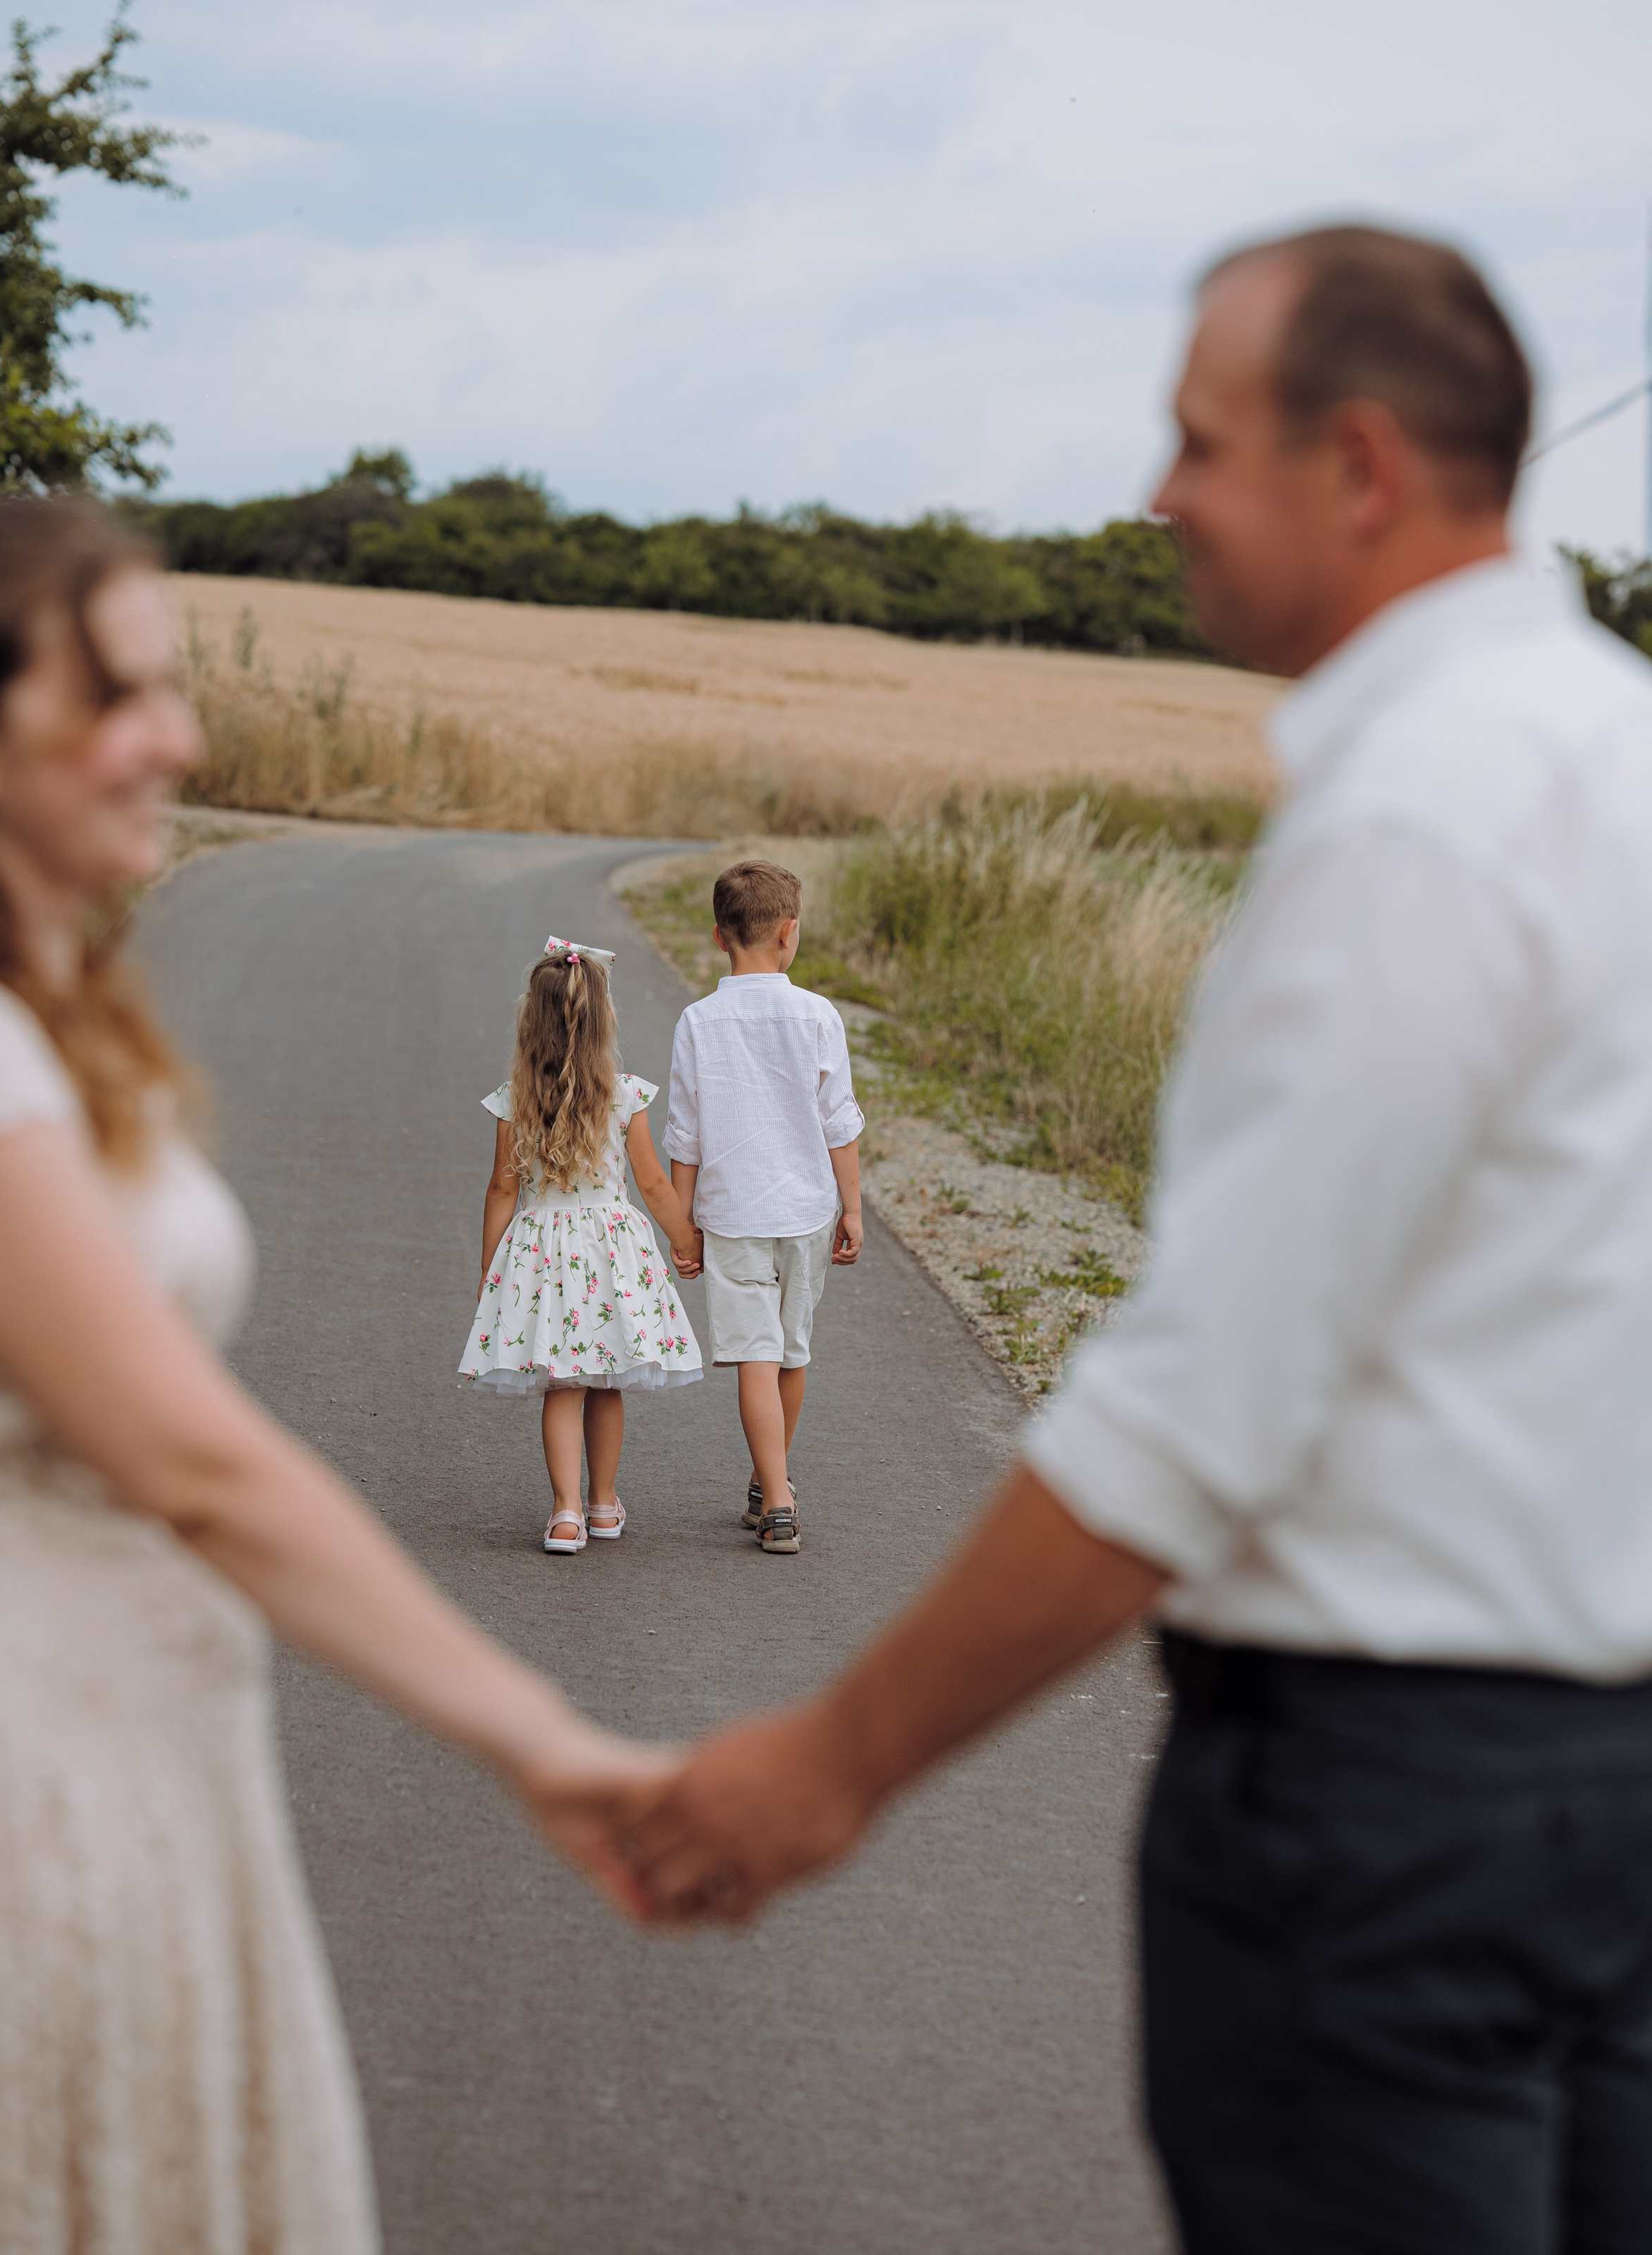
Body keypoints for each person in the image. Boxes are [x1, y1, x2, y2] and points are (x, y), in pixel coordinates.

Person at [628, 225, 1652, 2253]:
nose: (1155, 497)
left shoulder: (1411, 824)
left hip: (1391, 1812)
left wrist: (834, 1760)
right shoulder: (1617, 747)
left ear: (1358, 465)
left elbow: (1193, 1416)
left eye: (1199, 441)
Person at [0, 497, 672, 2253]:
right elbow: (202, 1465)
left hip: (126, 1735)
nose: (184, 737)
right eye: (124, 693)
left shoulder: (16, 1015)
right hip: (14, 1763)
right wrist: (533, 1735)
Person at [458, 937, 704, 1552]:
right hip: (608, 1255)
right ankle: (600, 1505)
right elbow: (650, 1181)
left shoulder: (515, 1098)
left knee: (563, 1384)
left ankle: (564, 1513)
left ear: (530, 1024)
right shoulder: (625, 1094)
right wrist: (685, 1239)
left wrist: (494, 1272)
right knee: (607, 1381)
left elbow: (500, 1189)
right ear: (604, 1021)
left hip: (542, 1251)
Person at [662, 860, 864, 1555]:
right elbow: (839, 1120)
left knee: (754, 1353)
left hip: (731, 1210)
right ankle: (770, 1486)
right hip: (806, 1207)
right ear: (789, 933)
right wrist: (853, 1208)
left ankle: (772, 1493)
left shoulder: (697, 1020)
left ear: (720, 935)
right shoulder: (817, 1014)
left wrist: (680, 1223)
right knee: (790, 1351)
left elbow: (684, 1130)